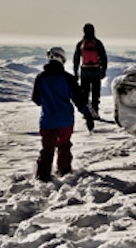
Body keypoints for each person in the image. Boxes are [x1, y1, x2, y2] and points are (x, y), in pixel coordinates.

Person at [31, 47, 92, 181]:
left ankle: (43, 176)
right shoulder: (68, 78)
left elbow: (36, 100)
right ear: (62, 59)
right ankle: (64, 171)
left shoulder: (41, 78)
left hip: (47, 120)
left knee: (47, 149)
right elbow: (78, 100)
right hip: (66, 120)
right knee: (64, 146)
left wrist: (48, 99)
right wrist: (87, 115)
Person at [73, 23, 108, 131]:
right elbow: (103, 57)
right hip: (96, 70)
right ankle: (95, 111)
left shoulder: (81, 44)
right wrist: (103, 70)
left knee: (85, 93)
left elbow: (76, 59)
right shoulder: (97, 43)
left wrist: (76, 72)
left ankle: (87, 112)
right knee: (95, 93)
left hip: (85, 71)